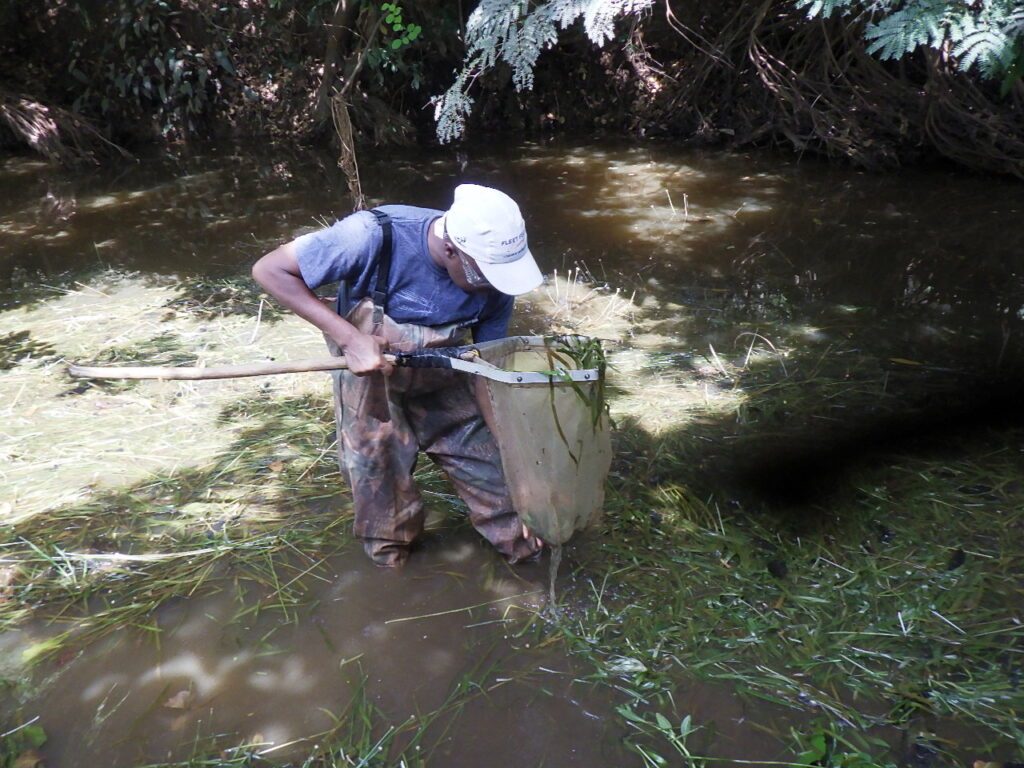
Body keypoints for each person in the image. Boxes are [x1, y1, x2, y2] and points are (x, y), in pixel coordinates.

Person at [252, 184, 544, 567]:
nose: (492, 286)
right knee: (381, 496)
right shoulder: (373, 235)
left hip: (447, 383)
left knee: (509, 496)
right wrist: (351, 338)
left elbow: (486, 372)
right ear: (451, 248)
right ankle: (392, 579)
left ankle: (531, 562)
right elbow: (270, 270)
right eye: (484, 276)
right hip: (372, 388)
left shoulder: (497, 281)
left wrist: (514, 454)